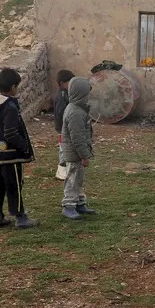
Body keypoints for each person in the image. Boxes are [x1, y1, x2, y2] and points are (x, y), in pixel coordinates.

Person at [0, 68, 39, 228]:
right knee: (14, 184)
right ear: (13, 87)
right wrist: (24, 146)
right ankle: (20, 216)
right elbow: (11, 132)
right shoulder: (9, 107)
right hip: (10, 155)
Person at [61, 77, 97, 220]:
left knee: (79, 179)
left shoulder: (78, 110)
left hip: (77, 153)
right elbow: (77, 138)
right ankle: (68, 205)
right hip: (74, 154)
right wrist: (84, 155)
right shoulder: (75, 113)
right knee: (73, 179)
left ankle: (79, 203)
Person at [54, 69, 75, 180]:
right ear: (62, 83)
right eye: (69, 82)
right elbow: (61, 111)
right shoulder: (62, 95)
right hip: (63, 127)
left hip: (65, 126)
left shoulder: (65, 93)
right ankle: (61, 170)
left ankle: (67, 167)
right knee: (63, 147)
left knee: (67, 146)